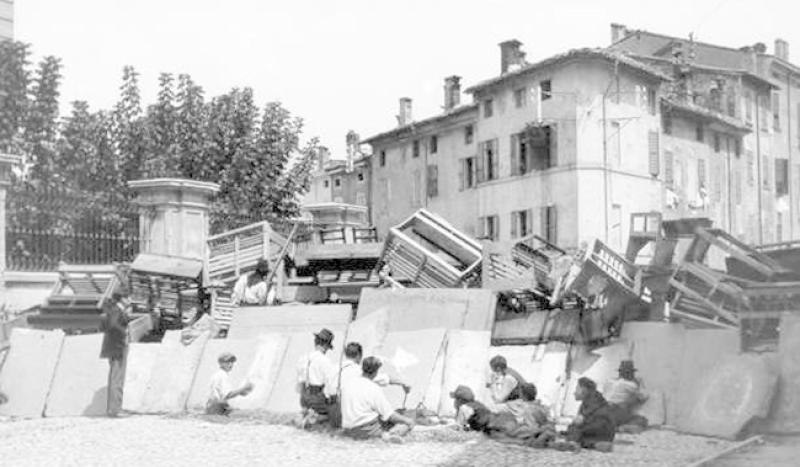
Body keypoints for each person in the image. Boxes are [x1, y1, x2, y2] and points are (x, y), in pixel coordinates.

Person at [341, 356, 415, 443]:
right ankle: (387, 436)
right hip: (367, 430)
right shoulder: (374, 388)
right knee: (408, 421)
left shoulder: (349, 383)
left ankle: (385, 435)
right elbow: (389, 415)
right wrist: (408, 421)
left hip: (348, 430)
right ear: (376, 372)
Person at [556, 377, 615, 452]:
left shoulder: (592, 400)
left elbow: (580, 420)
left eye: (577, 389)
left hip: (601, 429)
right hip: (603, 431)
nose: (574, 392)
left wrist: (577, 422)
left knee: (575, 429)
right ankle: (596, 444)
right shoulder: (594, 399)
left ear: (584, 390)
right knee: (574, 429)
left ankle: (573, 443)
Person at [99, 290, 132, 417]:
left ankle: (114, 408)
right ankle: (115, 410)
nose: (130, 299)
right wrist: (124, 334)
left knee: (116, 377)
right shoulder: (116, 310)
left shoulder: (113, 310)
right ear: (122, 299)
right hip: (118, 346)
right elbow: (113, 326)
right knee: (117, 378)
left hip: (115, 346)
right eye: (127, 296)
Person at [297, 328, 336, 425]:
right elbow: (331, 386)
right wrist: (334, 400)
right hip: (317, 397)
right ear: (326, 345)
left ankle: (306, 413)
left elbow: (299, 383)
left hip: (303, 397)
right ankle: (315, 418)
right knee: (333, 414)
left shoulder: (303, 358)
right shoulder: (325, 361)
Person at [604, 360, 649, 433]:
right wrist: (640, 383)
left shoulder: (609, 381)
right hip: (615, 412)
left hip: (602, 409)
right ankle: (620, 428)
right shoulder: (630, 385)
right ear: (630, 373)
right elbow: (644, 396)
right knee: (642, 420)